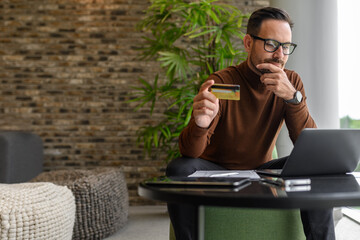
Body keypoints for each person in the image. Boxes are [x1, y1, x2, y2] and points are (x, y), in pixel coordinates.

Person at [166, 7, 335, 240]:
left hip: (261, 170)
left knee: (316, 166)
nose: (279, 55)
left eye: (286, 47)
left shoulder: (291, 81)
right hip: (216, 169)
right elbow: (190, 152)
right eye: (271, 44)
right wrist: (201, 124)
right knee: (178, 169)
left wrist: (292, 97)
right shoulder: (223, 81)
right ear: (248, 43)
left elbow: (308, 146)